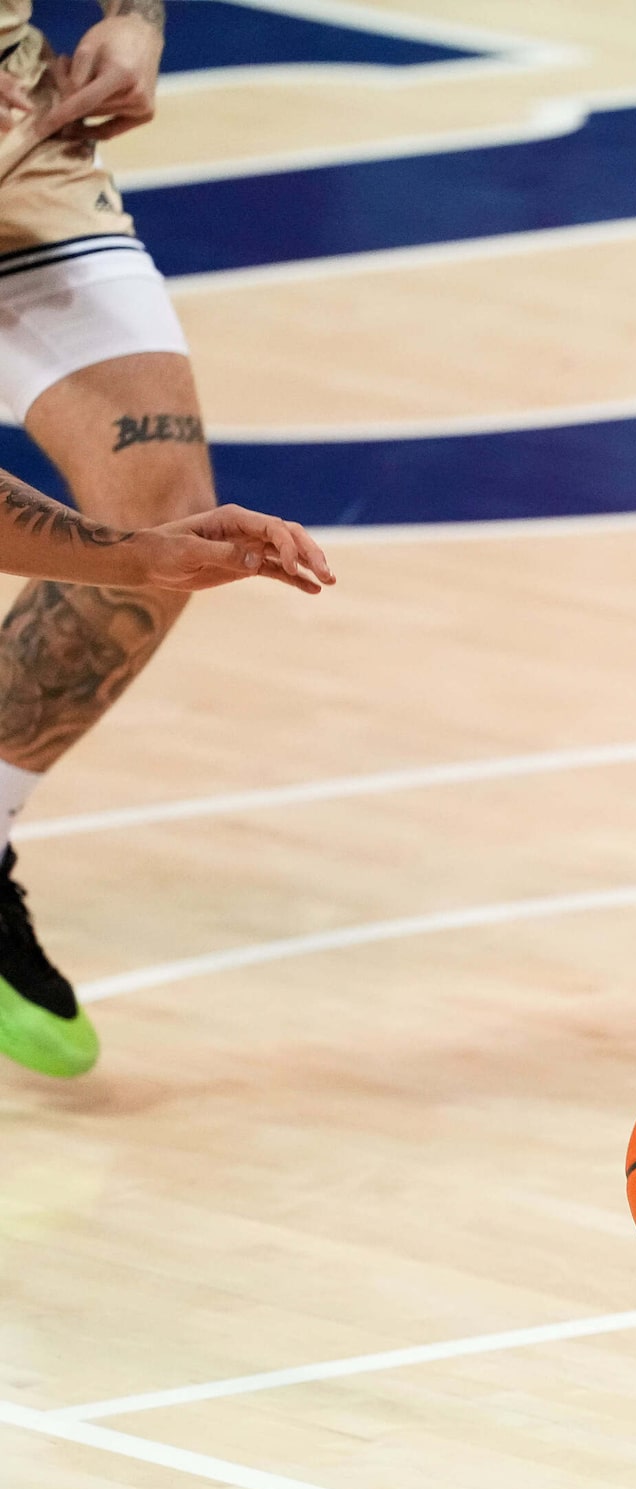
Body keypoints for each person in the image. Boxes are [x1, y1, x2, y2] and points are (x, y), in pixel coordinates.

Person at [0, 0, 337, 1078]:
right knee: (142, 544)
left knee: (155, 503)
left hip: (27, 121)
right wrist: (131, 559)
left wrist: (135, 18)